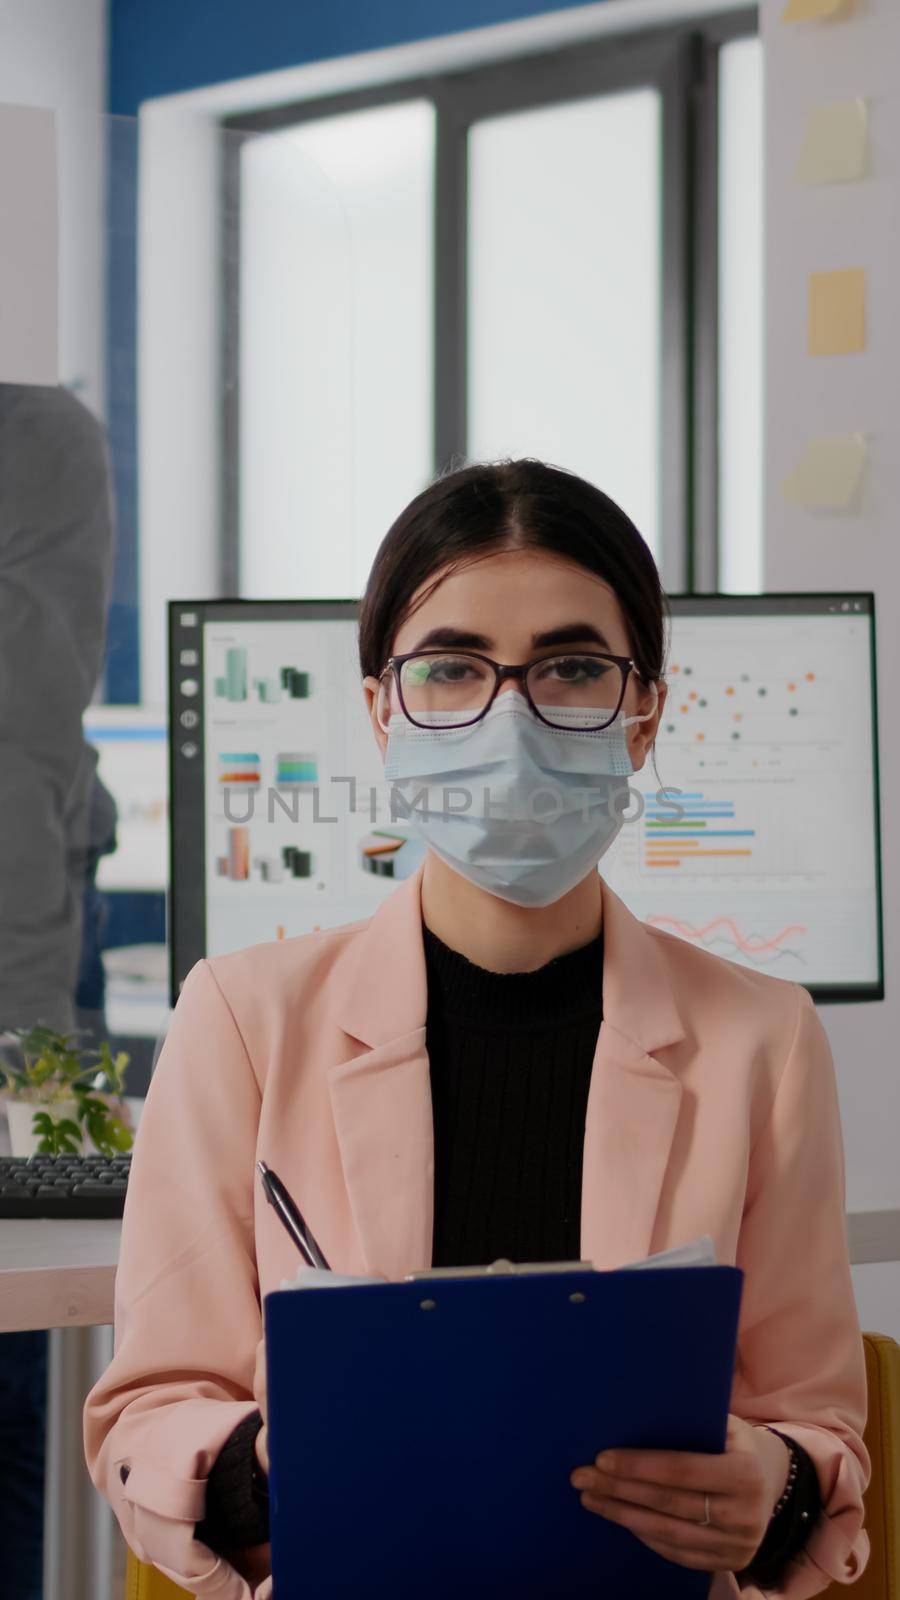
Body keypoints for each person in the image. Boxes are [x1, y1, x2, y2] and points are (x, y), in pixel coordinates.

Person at [83, 460, 869, 1600]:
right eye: (451, 668)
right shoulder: (245, 1019)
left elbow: (820, 1427)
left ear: (644, 711)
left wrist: (781, 1485)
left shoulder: (765, 1039)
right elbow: (145, 1416)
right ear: (381, 709)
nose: (510, 715)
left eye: (571, 667)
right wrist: (264, 1463)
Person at [0, 381, 117, 1600]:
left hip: (29, 969)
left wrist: (55, 1130)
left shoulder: (36, 436)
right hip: (38, 956)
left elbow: (21, 768)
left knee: (23, 1357)